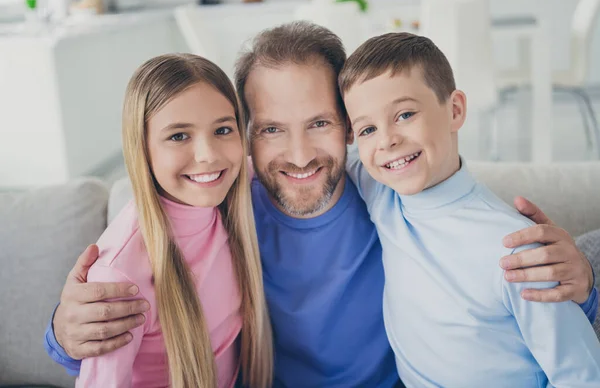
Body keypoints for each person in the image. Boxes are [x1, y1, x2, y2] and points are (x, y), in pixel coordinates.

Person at [44, 23, 597, 387]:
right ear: (244, 134)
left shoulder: (388, 190)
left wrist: (584, 276)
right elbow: (144, 295)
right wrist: (66, 332)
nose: (301, 154)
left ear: (352, 128)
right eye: (271, 130)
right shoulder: (225, 212)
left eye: (320, 124)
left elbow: (482, 242)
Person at [340, 32, 600, 387]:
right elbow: (311, 157)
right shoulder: (381, 192)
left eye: (404, 114)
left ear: (455, 110)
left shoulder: (515, 249)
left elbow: (581, 375)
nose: (386, 140)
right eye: (367, 128)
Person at [73, 53, 272, 387]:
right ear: (143, 148)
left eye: (223, 129)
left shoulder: (229, 194)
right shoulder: (120, 275)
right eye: (179, 136)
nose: (208, 155)